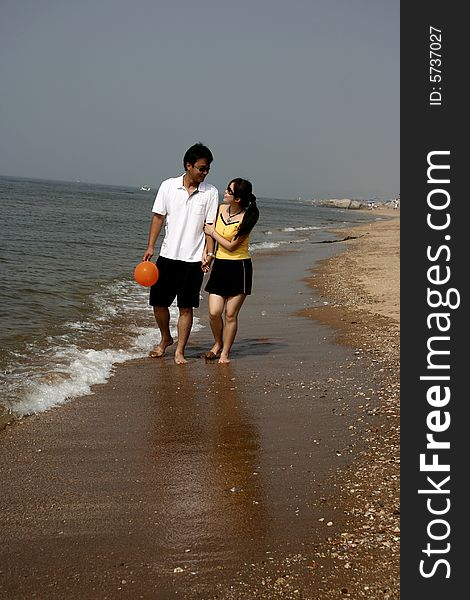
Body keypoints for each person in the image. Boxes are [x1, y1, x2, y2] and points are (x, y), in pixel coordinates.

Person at [142, 142, 219, 364]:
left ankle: (180, 351)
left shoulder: (211, 192)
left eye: (207, 169)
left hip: (194, 260)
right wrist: (150, 246)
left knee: (186, 307)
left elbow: (210, 227)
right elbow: (158, 217)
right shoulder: (168, 186)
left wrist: (209, 254)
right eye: (201, 168)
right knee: (158, 303)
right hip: (167, 256)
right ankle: (165, 337)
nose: (205, 173)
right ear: (188, 165)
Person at [203, 178, 259, 364]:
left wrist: (213, 232)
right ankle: (218, 342)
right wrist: (208, 253)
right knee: (213, 312)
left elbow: (232, 246)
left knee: (230, 314)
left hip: (239, 268)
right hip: (220, 266)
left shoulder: (247, 217)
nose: (225, 192)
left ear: (238, 199)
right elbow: (207, 232)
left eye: (229, 191)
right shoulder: (219, 209)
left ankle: (225, 353)